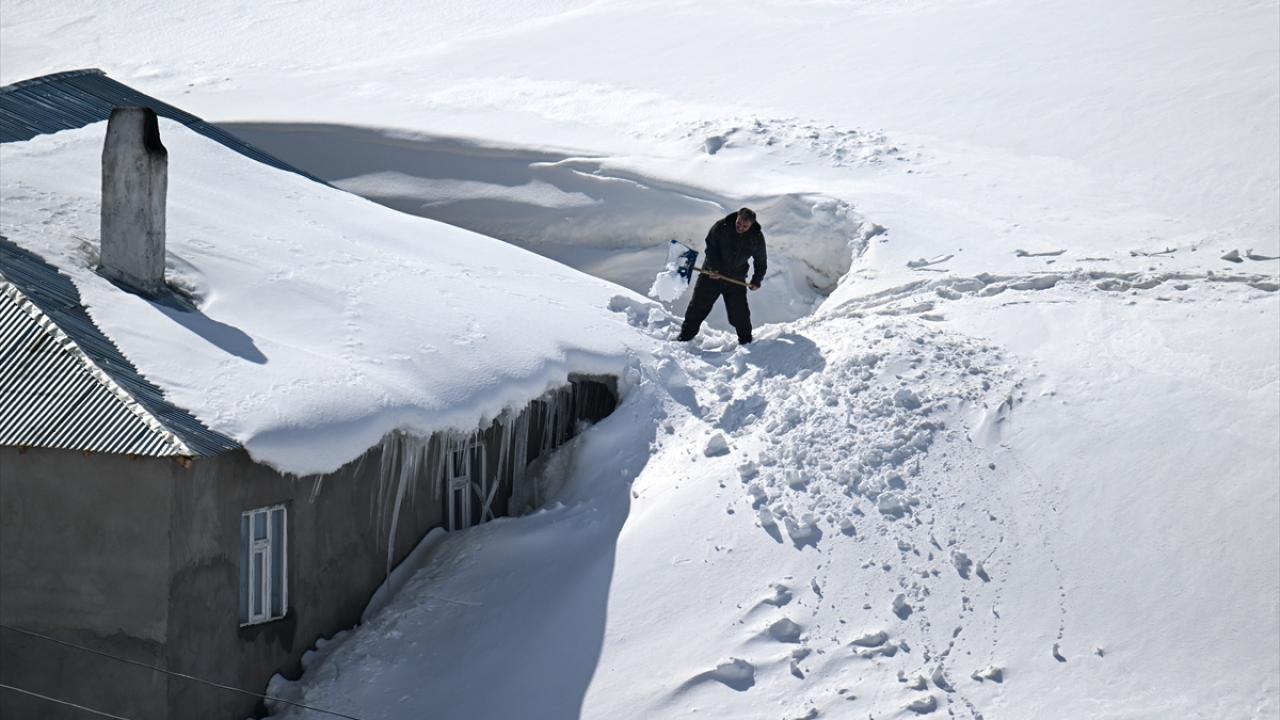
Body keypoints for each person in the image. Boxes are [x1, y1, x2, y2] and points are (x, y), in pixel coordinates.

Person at [677, 207, 767, 345]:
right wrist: (714, 268)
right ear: (737, 217)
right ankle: (684, 337)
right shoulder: (721, 227)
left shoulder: (756, 237)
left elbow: (761, 261)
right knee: (698, 306)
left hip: (736, 279)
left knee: (740, 314)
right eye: (739, 223)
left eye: (745, 226)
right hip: (711, 275)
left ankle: (746, 342)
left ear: (751, 225)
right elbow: (710, 248)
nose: (741, 227)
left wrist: (757, 280)